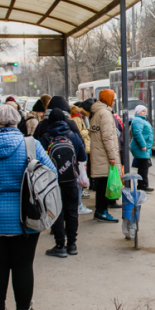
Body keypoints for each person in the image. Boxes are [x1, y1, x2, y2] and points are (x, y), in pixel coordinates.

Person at [0, 104, 54, 310]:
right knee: (23, 265)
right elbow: (51, 172)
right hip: (24, 215)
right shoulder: (31, 145)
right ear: (17, 121)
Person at [41, 108, 87, 257]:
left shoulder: (46, 137)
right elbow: (82, 156)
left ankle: (60, 245)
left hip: (53, 182)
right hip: (71, 180)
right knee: (72, 212)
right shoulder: (72, 136)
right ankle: (72, 245)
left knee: (57, 212)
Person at [89, 89, 121, 223]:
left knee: (102, 184)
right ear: (107, 99)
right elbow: (108, 137)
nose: (114, 101)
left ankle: (100, 211)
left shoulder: (97, 112)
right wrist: (112, 156)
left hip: (99, 154)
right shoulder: (105, 114)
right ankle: (102, 211)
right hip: (105, 156)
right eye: (112, 99)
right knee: (104, 186)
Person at [70, 104, 92, 214]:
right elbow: (79, 133)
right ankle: (78, 204)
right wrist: (87, 131)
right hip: (81, 150)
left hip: (80, 150)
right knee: (79, 179)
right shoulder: (77, 118)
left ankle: (78, 203)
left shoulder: (75, 117)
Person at [130, 105, 154, 192]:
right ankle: (143, 186)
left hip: (142, 147)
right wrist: (143, 145)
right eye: (143, 111)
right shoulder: (137, 120)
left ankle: (142, 185)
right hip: (140, 147)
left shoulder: (141, 120)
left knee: (143, 166)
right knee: (144, 166)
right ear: (138, 112)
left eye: (145, 111)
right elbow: (137, 133)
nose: (145, 113)